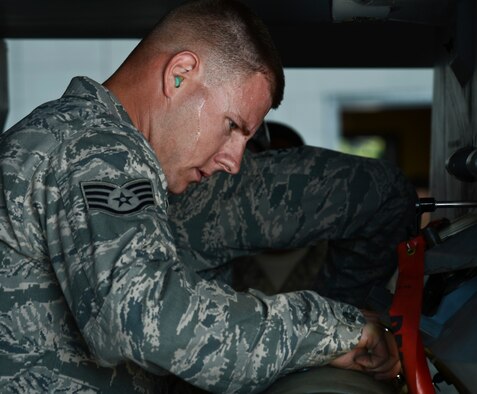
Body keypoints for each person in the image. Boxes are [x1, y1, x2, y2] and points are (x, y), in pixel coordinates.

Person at [0, 0, 416, 392]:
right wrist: (334, 328)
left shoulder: (71, 135)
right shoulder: (100, 148)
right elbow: (145, 319)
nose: (235, 161)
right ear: (179, 74)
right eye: (233, 126)